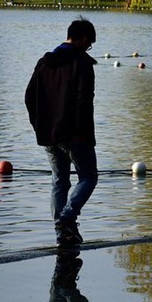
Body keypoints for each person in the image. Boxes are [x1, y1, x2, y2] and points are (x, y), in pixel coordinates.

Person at [25, 19, 98, 246]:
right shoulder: (82, 63)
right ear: (83, 39)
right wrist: (83, 132)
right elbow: (84, 101)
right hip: (75, 134)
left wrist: (38, 125)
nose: (88, 48)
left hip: (48, 133)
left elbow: (29, 97)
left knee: (59, 182)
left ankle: (62, 234)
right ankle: (67, 217)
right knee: (89, 177)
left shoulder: (44, 62)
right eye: (89, 44)